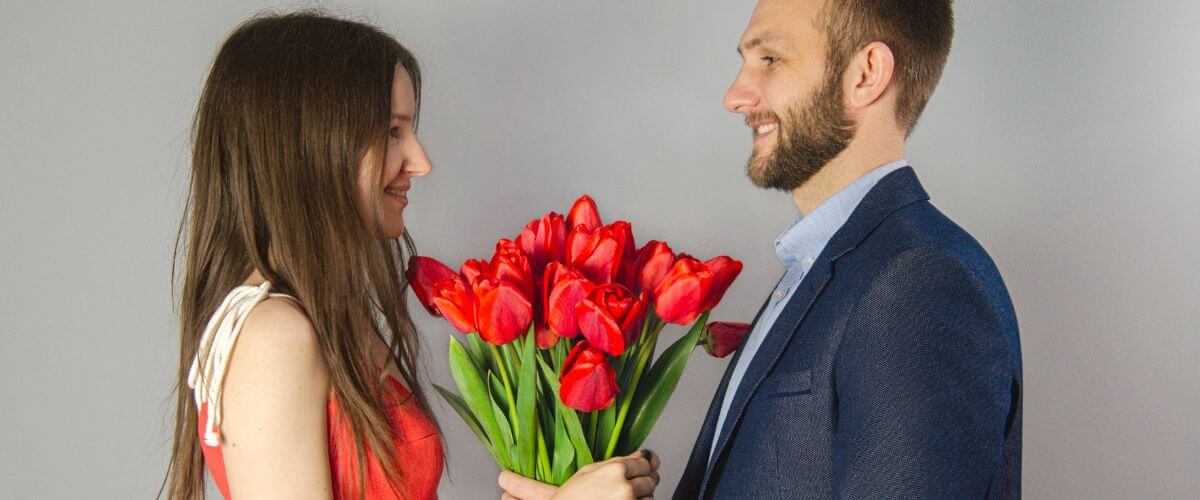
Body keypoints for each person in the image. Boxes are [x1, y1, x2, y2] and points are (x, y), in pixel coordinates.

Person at [504, 0, 1021, 498]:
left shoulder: (918, 284)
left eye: (771, 59)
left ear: (866, 74)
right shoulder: (828, 267)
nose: (735, 96)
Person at [162, 11, 658, 499]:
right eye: (391, 131)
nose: (420, 162)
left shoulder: (325, 319)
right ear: (306, 146)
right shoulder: (274, 336)